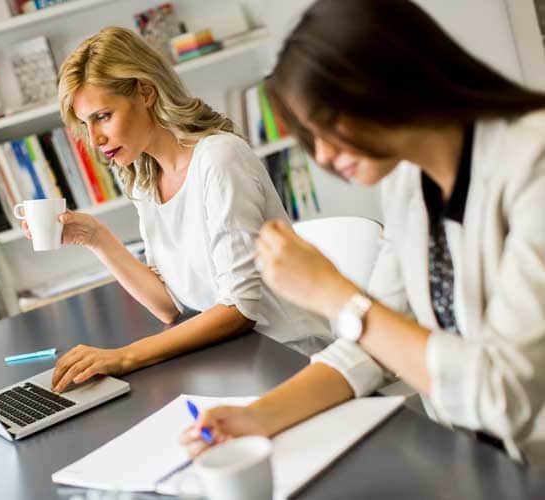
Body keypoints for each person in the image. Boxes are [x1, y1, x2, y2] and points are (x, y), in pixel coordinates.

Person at [182, 0, 545, 466]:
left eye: (329, 126)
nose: (325, 157)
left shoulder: (531, 166)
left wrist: (336, 295)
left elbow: (504, 397)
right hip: (472, 459)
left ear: (389, 77)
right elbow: (374, 346)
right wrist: (257, 417)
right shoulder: (408, 180)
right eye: (310, 139)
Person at [22, 27, 328, 393]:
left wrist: (125, 356)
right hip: (233, 358)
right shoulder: (145, 177)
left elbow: (239, 310)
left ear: (146, 92)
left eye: (103, 116)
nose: (94, 139)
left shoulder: (218, 158)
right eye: (85, 124)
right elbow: (169, 307)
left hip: (292, 358)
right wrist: (94, 237)